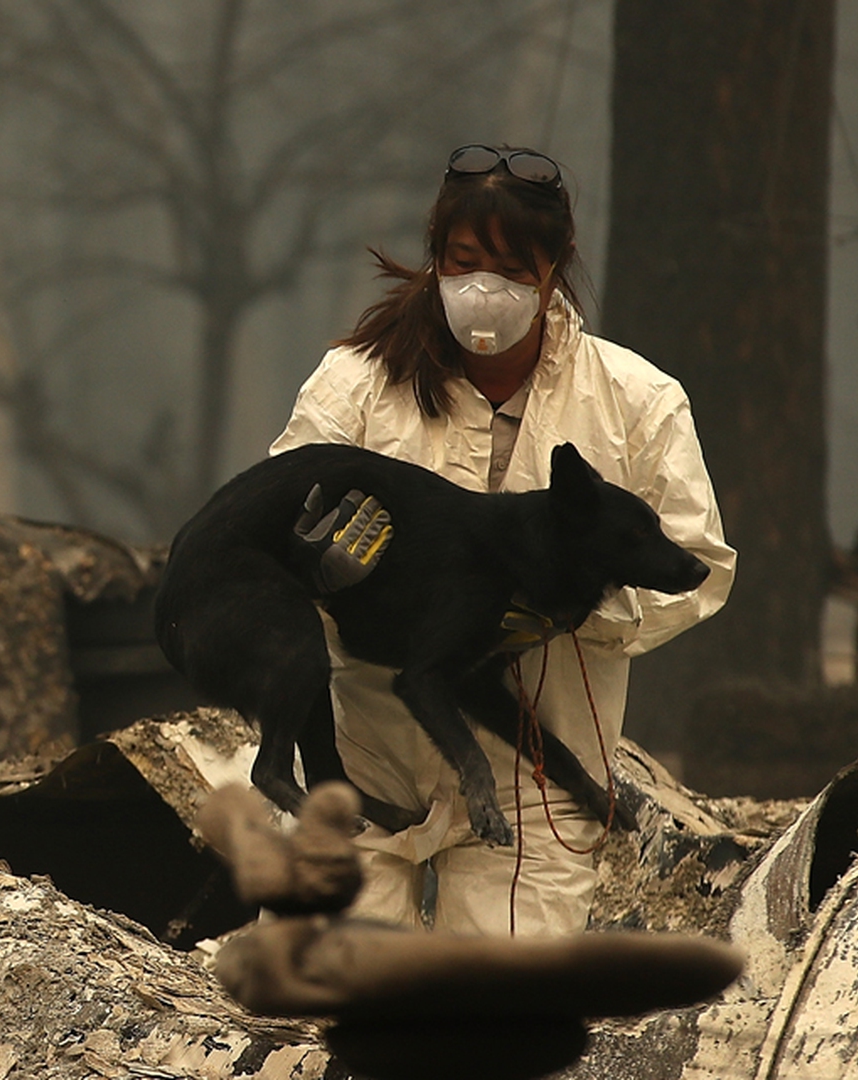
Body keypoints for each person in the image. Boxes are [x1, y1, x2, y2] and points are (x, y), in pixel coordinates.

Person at [269, 144, 736, 937]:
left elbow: (701, 563)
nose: (485, 289)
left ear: (553, 269)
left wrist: (577, 614)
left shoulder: (636, 403)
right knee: (329, 1014)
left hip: (534, 776)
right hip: (358, 757)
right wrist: (320, 568)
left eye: (512, 268)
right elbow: (275, 522)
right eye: (465, 261)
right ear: (436, 259)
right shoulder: (353, 386)